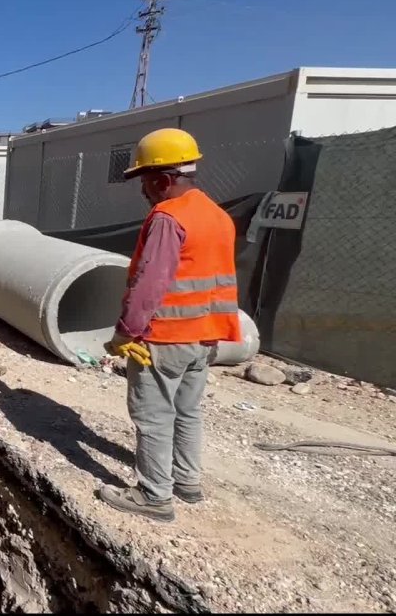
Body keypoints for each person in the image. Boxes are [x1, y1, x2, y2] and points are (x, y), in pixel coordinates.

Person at [99, 127, 242, 523]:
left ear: (163, 179)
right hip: (206, 336)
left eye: (145, 182)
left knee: (154, 415)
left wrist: (126, 332)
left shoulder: (167, 217)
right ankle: (186, 481)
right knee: (188, 411)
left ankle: (153, 496)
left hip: (163, 338)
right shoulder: (217, 215)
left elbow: (151, 281)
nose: (144, 191)